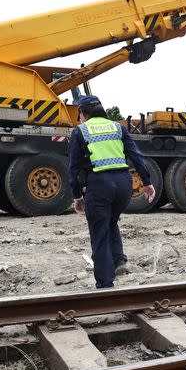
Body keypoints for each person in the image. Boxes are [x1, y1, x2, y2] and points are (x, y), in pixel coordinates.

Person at [68, 95, 156, 288]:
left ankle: (105, 285)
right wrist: (147, 182)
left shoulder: (80, 131)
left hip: (100, 185)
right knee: (110, 220)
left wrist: (77, 196)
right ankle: (119, 261)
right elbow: (136, 156)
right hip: (124, 184)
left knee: (99, 233)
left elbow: (73, 169)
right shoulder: (118, 127)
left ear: (83, 113)